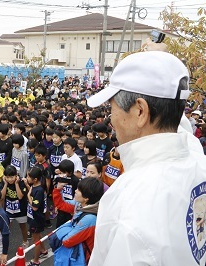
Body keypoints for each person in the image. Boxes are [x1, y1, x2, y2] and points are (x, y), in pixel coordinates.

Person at [86, 50, 206, 265]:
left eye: (112, 107)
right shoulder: (196, 157)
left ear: (140, 111)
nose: (111, 120)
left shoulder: (129, 202)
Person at [51, 177, 104, 265]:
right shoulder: (80, 204)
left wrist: (67, 228)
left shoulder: (89, 219)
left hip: (83, 259)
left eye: (79, 190)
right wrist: (58, 189)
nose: (75, 191)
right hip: (78, 254)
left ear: (86, 198)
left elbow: (67, 241)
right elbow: (61, 204)